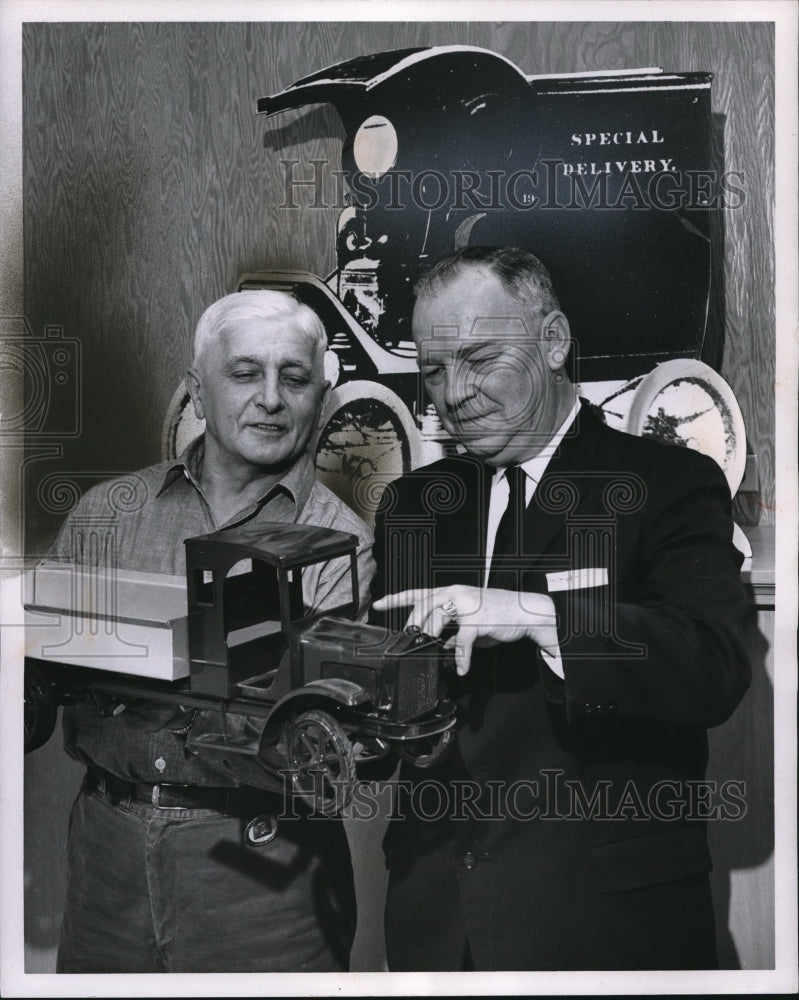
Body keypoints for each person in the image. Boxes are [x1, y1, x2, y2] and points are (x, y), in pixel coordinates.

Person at [371, 246, 751, 971]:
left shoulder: (669, 481)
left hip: (605, 936)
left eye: (479, 358)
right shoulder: (411, 506)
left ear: (552, 341)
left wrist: (537, 615)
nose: (452, 393)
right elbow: (395, 706)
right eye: (431, 369)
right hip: (436, 935)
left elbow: (714, 665)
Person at [45, 290, 374, 973]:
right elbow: (31, 692)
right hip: (105, 855)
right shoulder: (107, 514)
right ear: (197, 390)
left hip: (261, 869)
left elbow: (322, 735)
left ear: (321, 395)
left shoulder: (343, 541)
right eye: (245, 373)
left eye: (294, 377)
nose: (271, 399)